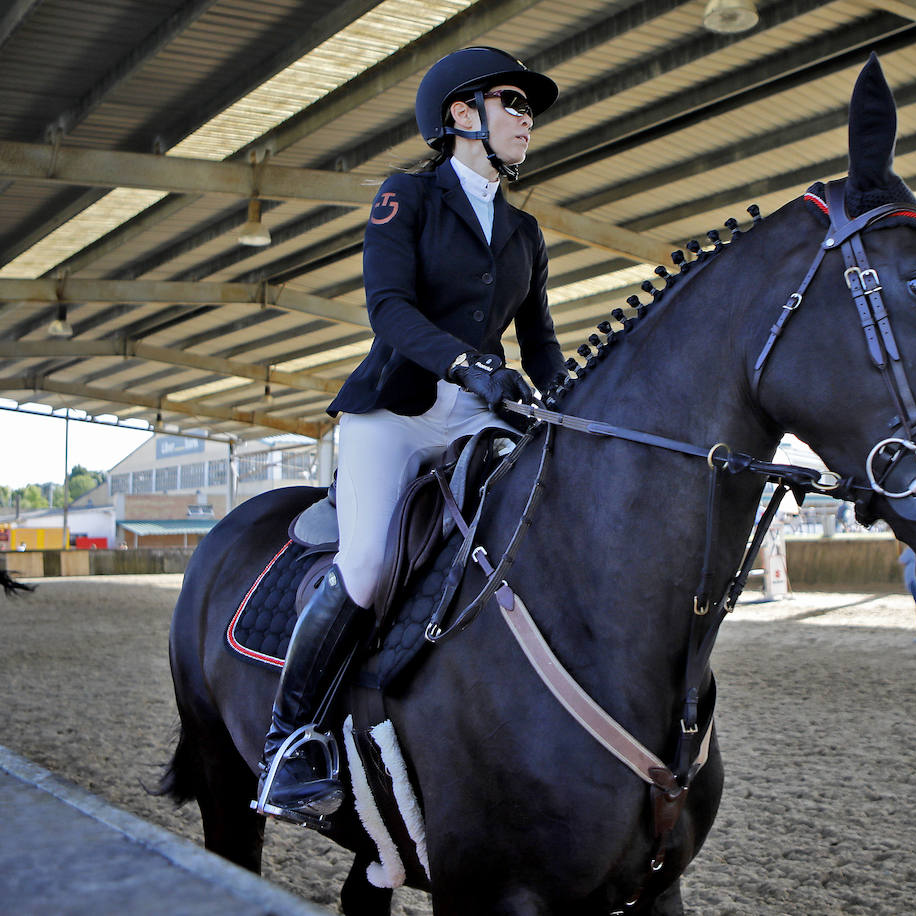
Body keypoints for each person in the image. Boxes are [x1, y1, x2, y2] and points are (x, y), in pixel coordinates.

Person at [254, 47, 566, 825]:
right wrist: (468, 364)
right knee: (365, 564)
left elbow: (543, 342)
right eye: (511, 102)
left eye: (529, 107)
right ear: (461, 116)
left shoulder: (526, 232)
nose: (526, 118)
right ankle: (291, 740)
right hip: (396, 409)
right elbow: (388, 309)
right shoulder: (408, 198)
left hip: (480, 410)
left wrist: (567, 400)